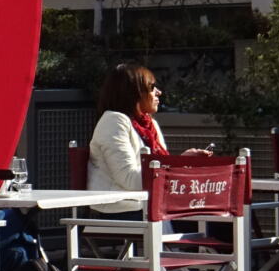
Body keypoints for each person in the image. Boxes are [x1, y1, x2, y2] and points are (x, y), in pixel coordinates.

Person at [87, 63, 208, 214]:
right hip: (121, 211)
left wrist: (182, 162)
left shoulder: (150, 125)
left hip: (151, 206)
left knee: (214, 214)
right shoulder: (114, 121)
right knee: (212, 221)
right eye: (152, 87)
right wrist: (177, 164)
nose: (159, 92)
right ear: (134, 92)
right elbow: (130, 180)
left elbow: (161, 171)